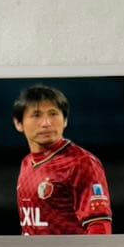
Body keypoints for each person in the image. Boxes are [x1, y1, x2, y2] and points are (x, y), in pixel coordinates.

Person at [13, 84, 112, 236]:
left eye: (53, 114)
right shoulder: (26, 163)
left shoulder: (81, 162)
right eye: (37, 115)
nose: (46, 123)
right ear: (18, 123)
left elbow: (99, 226)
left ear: (65, 120)